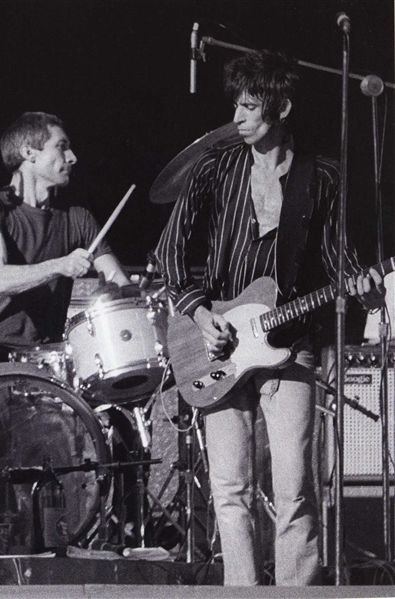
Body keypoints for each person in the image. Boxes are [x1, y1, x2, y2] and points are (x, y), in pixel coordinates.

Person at [155, 50, 385, 586]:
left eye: (250, 106)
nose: (237, 116)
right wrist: (200, 312)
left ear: (280, 108)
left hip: (291, 343)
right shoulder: (216, 166)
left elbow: (338, 260)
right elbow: (170, 253)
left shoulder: (321, 176)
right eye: (236, 104)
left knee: (294, 487)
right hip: (217, 342)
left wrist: (365, 286)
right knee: (230, 489)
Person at [0, 111, 131, 375]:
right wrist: (60, 265)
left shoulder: (77, 217)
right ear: (30, 153)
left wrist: (119, 293)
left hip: (49, 356)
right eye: (61, 147)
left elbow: (118, 281)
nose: (72, 157)